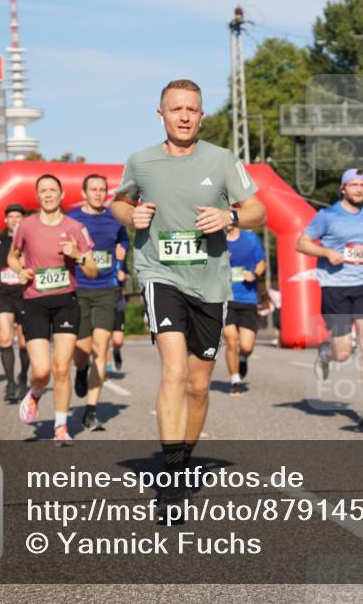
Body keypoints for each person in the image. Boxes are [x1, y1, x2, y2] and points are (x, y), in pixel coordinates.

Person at [111, 78, 264, 494]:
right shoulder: (140, 162)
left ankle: (184, 457)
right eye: (175, 109)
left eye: (191, 109)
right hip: (160, 274)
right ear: (160, 115)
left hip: (209, 283)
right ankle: (173, 477)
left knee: (198, 386)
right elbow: (119, 202)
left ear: (201, 115)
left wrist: (229, 218)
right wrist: (132, 216)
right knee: (174, 372)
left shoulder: (221, 160)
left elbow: (257, 210)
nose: (183, 116)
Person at [296, 168, 363, 427]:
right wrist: (326, 252)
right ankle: (325, 353)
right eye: (354, 184)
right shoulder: (327, 216)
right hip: (335, 287)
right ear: (342, 188)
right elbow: (301, 243)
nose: (359, 189)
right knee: (343, 351)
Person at [8, 175, 97, 445]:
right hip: (34, 302)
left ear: (61, 195)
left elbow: (92, 271)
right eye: (43, 191)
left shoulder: (75, 227)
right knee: (42, 371)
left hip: (65, 302)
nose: (47, 195)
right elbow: (12, 257)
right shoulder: (25, 226)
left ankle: (61, 425)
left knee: (61, 369)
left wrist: (78, 255)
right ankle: (35, 393)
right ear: (37, 197)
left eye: (52, 190)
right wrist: (20, 270)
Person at [68, 174, 130, 431]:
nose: (98, 193)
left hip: (106, 289)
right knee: (81, 351)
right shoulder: (72, 218)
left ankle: (91, 411)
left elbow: (123, 240)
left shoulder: (114, 216)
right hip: (79, 289)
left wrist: (122, 251)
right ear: (84, 192)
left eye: (102, 189)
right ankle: (80, 370)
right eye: (93, 189)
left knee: (101, 346)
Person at [0, 203, 32, 402]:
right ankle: (10, 383)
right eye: (12, 216)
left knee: (25, 342)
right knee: (5, 338)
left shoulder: (30, 239)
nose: (16, 219)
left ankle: (23, 376)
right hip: (3, 295)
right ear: (5, 220)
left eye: (19, 216)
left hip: (25, 294)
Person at [224, 224, 266, 395]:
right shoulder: (215, 240)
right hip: (224, 298)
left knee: (247, 346)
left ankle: (242, 358)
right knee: (231, 339)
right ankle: (235, 380)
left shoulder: (250, 239)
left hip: (247, 298)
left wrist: (254, 274)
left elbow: (261, 262)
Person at [108, 251, 129, 375]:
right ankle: (106, 366)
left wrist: (124, 276)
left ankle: (116, 351)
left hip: (118, 300)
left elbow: (127, 274)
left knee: (117, 340)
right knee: (103, 337)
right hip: (102, 298)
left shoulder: (120, 255)